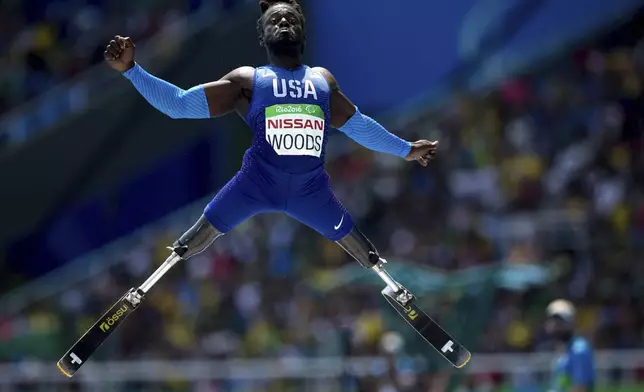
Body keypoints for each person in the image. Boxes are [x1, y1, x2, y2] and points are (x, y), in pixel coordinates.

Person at [101, 1, 437, 293]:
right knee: (201, 233)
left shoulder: (321, 80)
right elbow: (178, 104)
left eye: (290, 19)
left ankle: (393, 285)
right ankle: (150, 282)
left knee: (355, 240)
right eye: (275, 20)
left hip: (311, 191)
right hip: (255, 185)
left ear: (303, 35)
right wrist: (132, 70)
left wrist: (406, 149)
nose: (284, 23)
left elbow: (357, 124)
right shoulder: (248, 80)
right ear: (262, 37)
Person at [545, 299, 595, 392]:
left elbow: (580, 388)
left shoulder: (578, 350)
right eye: (553, 322)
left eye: (560, 323)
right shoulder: (564, 351)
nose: (556, 326)